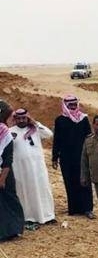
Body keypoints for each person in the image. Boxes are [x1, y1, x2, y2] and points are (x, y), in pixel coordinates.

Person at [10, 109, 56, 225]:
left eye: (24, 118)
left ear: (28, 118)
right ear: (15, 119)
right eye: (19, 118)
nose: (21, 120)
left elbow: (49, 134)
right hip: (20, 168)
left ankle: (48, 216)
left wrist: (35, 123)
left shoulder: (35, 129)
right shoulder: (10, 131)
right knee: (25, 191)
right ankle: (29, 218)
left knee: (43, 189)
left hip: (38, 168)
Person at [52, 95, 94, 218]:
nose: (73, 107)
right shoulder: (60, 120)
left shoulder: (83, 119)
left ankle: (87, 209)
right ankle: (74, 208)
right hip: (66, 157)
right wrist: (55, 157)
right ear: (65, 105)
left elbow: (89, 138)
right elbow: (57, 139)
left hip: (82, 156)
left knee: (84, 181)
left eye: (75, 104)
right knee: (69, 181)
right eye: (70, 105)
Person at [0, 99, 25, 242]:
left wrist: (2, 178)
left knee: (9, 200)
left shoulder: (5, 133)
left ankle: (13, 229)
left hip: (5, 173)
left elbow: (8, 158)